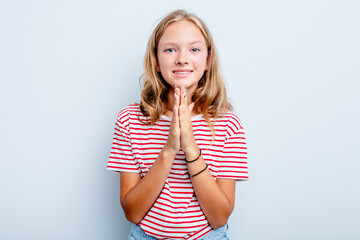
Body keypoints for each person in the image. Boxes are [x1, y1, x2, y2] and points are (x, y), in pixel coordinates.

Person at [107, 9, 248, 240]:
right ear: (156, 62)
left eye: (194, 49)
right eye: (170, 49)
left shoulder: (228, 124)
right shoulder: (129, 120)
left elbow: (220, 217)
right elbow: (132, 212)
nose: (182, 58)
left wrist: (190, 147)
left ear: (207, 61)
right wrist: (170, 148)